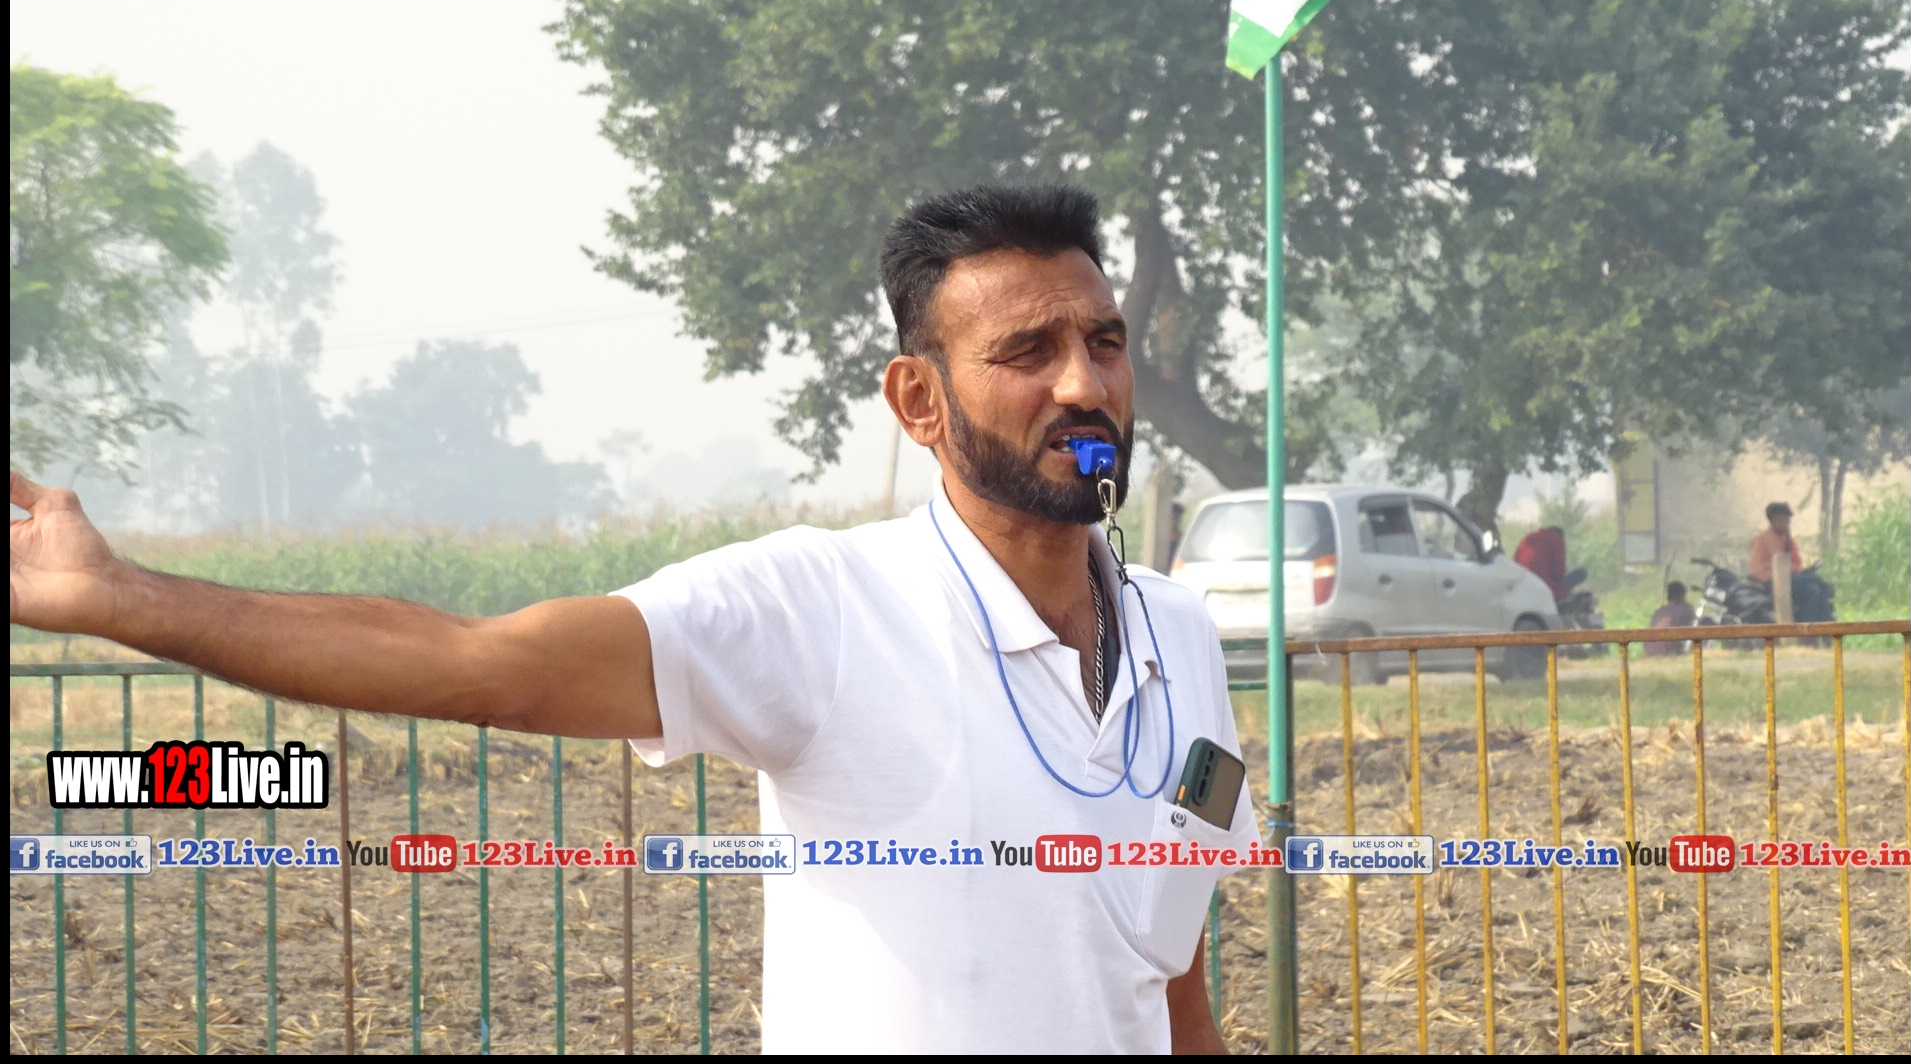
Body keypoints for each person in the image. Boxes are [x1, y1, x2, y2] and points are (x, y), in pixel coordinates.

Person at [8, 184, 1254, 1054]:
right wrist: (121, 598)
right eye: (1028, 352)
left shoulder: (1179, 638)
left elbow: (1168, 977)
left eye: (1104, 340)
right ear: (918, 401)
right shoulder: (822, 609)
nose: (1085, 382)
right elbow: (481, 664)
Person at [1747, 501, 1835, 623]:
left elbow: (1797, 562)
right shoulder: (1765, 538)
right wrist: (1798, 570)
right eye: (1781, 521)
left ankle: (1824, 625)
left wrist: (1805, 569)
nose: (1785, 525)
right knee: (1819, 583)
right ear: (1772, 521)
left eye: (1787, 521)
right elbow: (1778, 563)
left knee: (1814, 590)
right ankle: (1810, 628)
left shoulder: (1787, 539)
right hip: (1768, 581)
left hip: (1788, 578)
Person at [1514, 525, 1569, 600]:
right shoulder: (1557, 539)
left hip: (1523, 586)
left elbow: (1515, 560)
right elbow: (1559, 570)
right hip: (1546, 587)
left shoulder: (1528, 538)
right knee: (1581, 573)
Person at [1645, 581, 1695, 656]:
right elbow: (1693, 627)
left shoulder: (1660, 610)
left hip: (1650, 651)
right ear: (1683, 594)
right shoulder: (1686, 609)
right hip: (1669, 651)